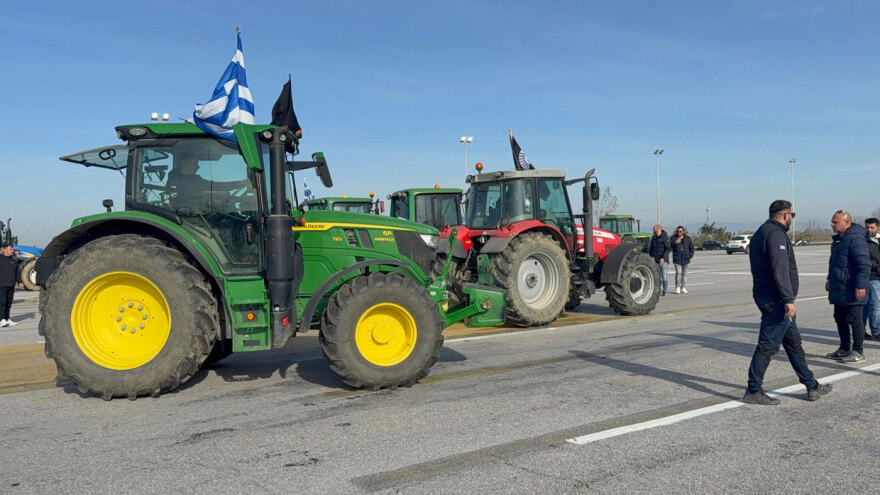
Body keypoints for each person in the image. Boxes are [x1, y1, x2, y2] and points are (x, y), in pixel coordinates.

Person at [744, 200, 831, 405]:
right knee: (767, 346)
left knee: (794, 345)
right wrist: (788, 299)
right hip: (777, 301)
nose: (792, 218)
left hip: (771, 296)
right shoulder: (775, 235)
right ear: (785, 215)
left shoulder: (761, 232)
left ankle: (811, 385)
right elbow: (780, 269)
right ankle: (753, 390)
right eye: (792, 215)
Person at [824, 210, 871, 363]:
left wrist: (860, 285)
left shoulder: (855, 239)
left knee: (855, 320)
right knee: (839, 318)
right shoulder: (839, 240)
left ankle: (858, 351)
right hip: (839, 288)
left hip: (853, 289)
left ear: (847, 222)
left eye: (835, 222)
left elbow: (864, 265)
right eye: (832, 221)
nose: (832, 224)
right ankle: (844, 348)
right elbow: (836, 264)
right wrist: (829, 279)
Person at [863, 218, 880, 340]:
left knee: (869, 305)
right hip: (872, 276)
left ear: (878, 228)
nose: (869, 230)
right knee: (875, 305)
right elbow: (867, 260)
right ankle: (876, 331)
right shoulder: (863, 241)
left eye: (872, 227)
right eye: (867, 227)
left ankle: (861, 330)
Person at [671, 225, 695, 294]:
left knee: (684, 274)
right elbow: (669, 246)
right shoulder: (673, 238)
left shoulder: (687, 238)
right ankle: (677, 287)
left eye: (680, 231)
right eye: (678, 231)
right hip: (677, 259)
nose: (679, 232)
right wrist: (675, 243)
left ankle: (683, 287)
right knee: (678, 273)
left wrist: (690, 255)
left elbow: (692, 248)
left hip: (686, 259)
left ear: (683, 231)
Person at [648, 224, 671, 296]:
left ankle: (665, 291)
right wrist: (650, 257)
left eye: (654, 228)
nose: (653, 229)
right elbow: (651, 249)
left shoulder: (665, 237)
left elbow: (668, 249)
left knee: (664, 276)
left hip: (663, 261)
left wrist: (663, 258)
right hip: (655, 260)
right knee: (656, 277)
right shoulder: (654, 238)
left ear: (658, 229)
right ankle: (658, 291)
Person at [0, 243, 19, 327]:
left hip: (11, 285)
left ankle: (7, 318)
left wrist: (20, 282)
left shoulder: (14, 261)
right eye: (10, 249)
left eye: (12, 249)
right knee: (2, 302)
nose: (12, 251)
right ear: (4, 250)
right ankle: (2, 319)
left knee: (9, 303)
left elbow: (17, 273)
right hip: (1, 285)